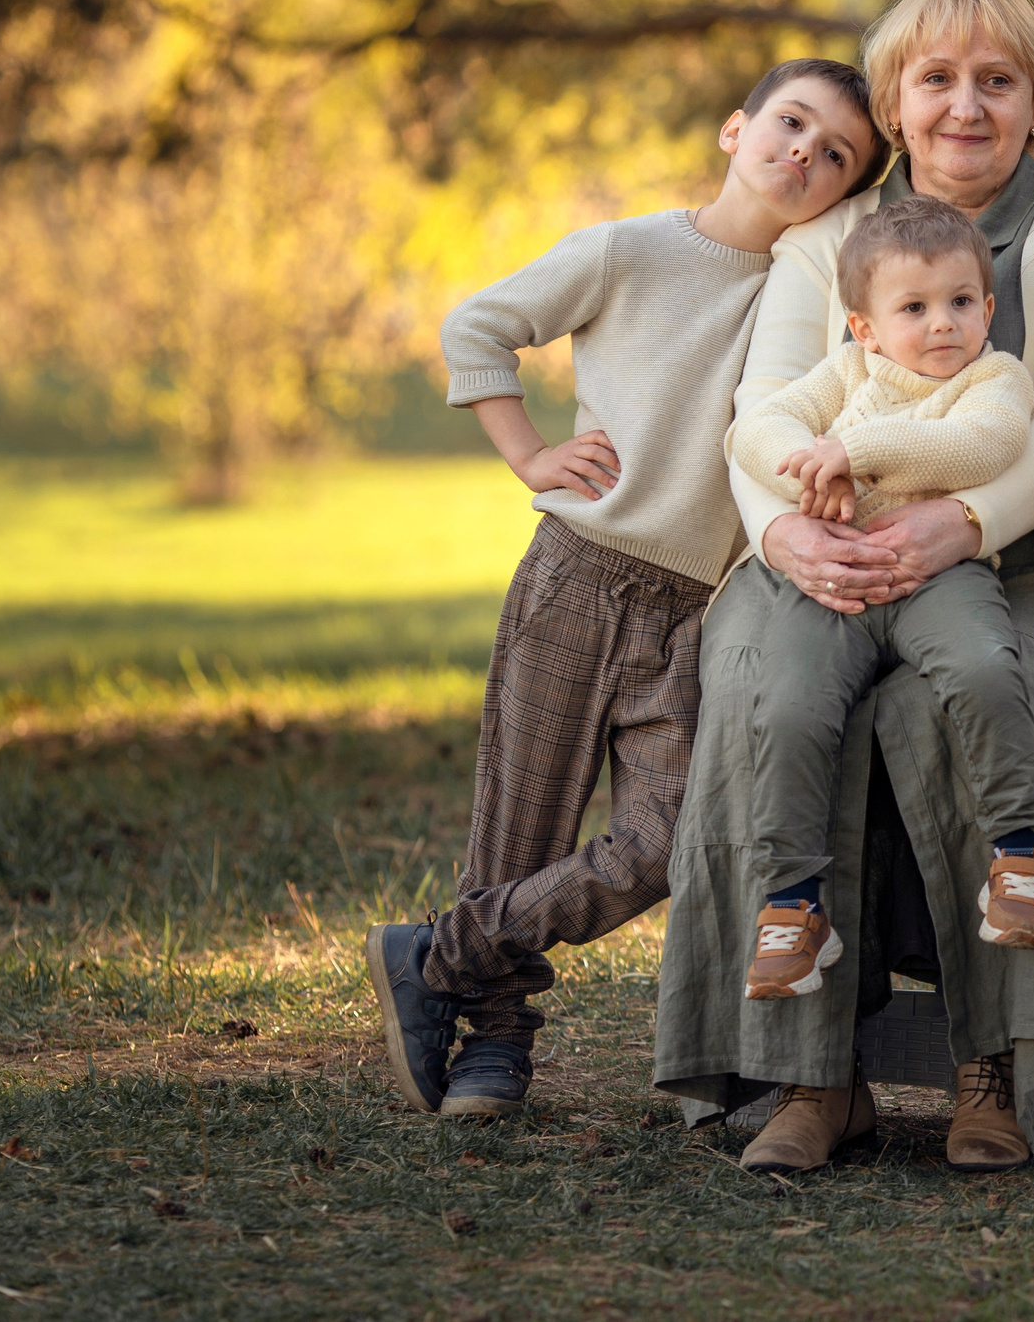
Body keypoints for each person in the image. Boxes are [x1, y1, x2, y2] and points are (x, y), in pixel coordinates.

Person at [654, 0, 1034, 1177]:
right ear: (894, 98)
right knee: (773, 691)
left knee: (975, 695)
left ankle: (996, 1066)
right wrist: (784, 536)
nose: (965, 107)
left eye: (997, 81)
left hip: (1030, 565)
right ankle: (811, 1072)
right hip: (823, 552)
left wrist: (961, 524)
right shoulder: (827, 239)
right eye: (935, 80)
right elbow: (767, 405)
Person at [365, 60, 885, 1120]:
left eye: (835, 155)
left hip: (697, 608)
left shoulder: (818, 294)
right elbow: (476, 327)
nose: (803, 155)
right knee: (520, 827)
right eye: (790, 125)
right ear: (735, 128)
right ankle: (492, 1044)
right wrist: (527, 453)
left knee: (664, 840)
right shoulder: (629, 250)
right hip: (578, 577)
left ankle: (436, 956)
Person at [728, 194, 1034, 1002]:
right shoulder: (842, 372)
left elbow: (984, 444)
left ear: (987, 308)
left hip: (940, 577)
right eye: (914, 307)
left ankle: (1020, 852)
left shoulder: (995, 375)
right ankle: (793, 903)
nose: (942, 323)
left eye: (959, 303)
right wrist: (809, 467)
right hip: (835, 580)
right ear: (865, 328)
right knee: (788, 705)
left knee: (985, 668)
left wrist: (853, 450)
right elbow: (756, 428)